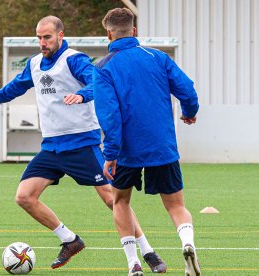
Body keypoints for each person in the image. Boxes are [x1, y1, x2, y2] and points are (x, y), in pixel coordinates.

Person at [0, 15, 166, 272]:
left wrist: (81, 94)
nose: (42, 43)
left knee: (114, 200)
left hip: (82, 144)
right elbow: (17, 86)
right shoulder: (34, 64)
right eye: (39, 38)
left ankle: (148, 252)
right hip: (52, 147)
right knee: (24, 197)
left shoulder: (74, 60)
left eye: (47, 37)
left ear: (60, 36)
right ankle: (70, 240)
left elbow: (96, 83)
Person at [93, 8, 201, 276]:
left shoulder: (103, 67)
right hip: (162, 146)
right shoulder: (158, 57)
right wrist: (189, 112)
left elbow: (109, 114)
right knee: (176, 205)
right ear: (134, 31)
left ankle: (133, 264)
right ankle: (187, 243)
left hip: (127, 151)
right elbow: (187, 89)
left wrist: (111, 153)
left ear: (108, 34)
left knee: (120, 202)